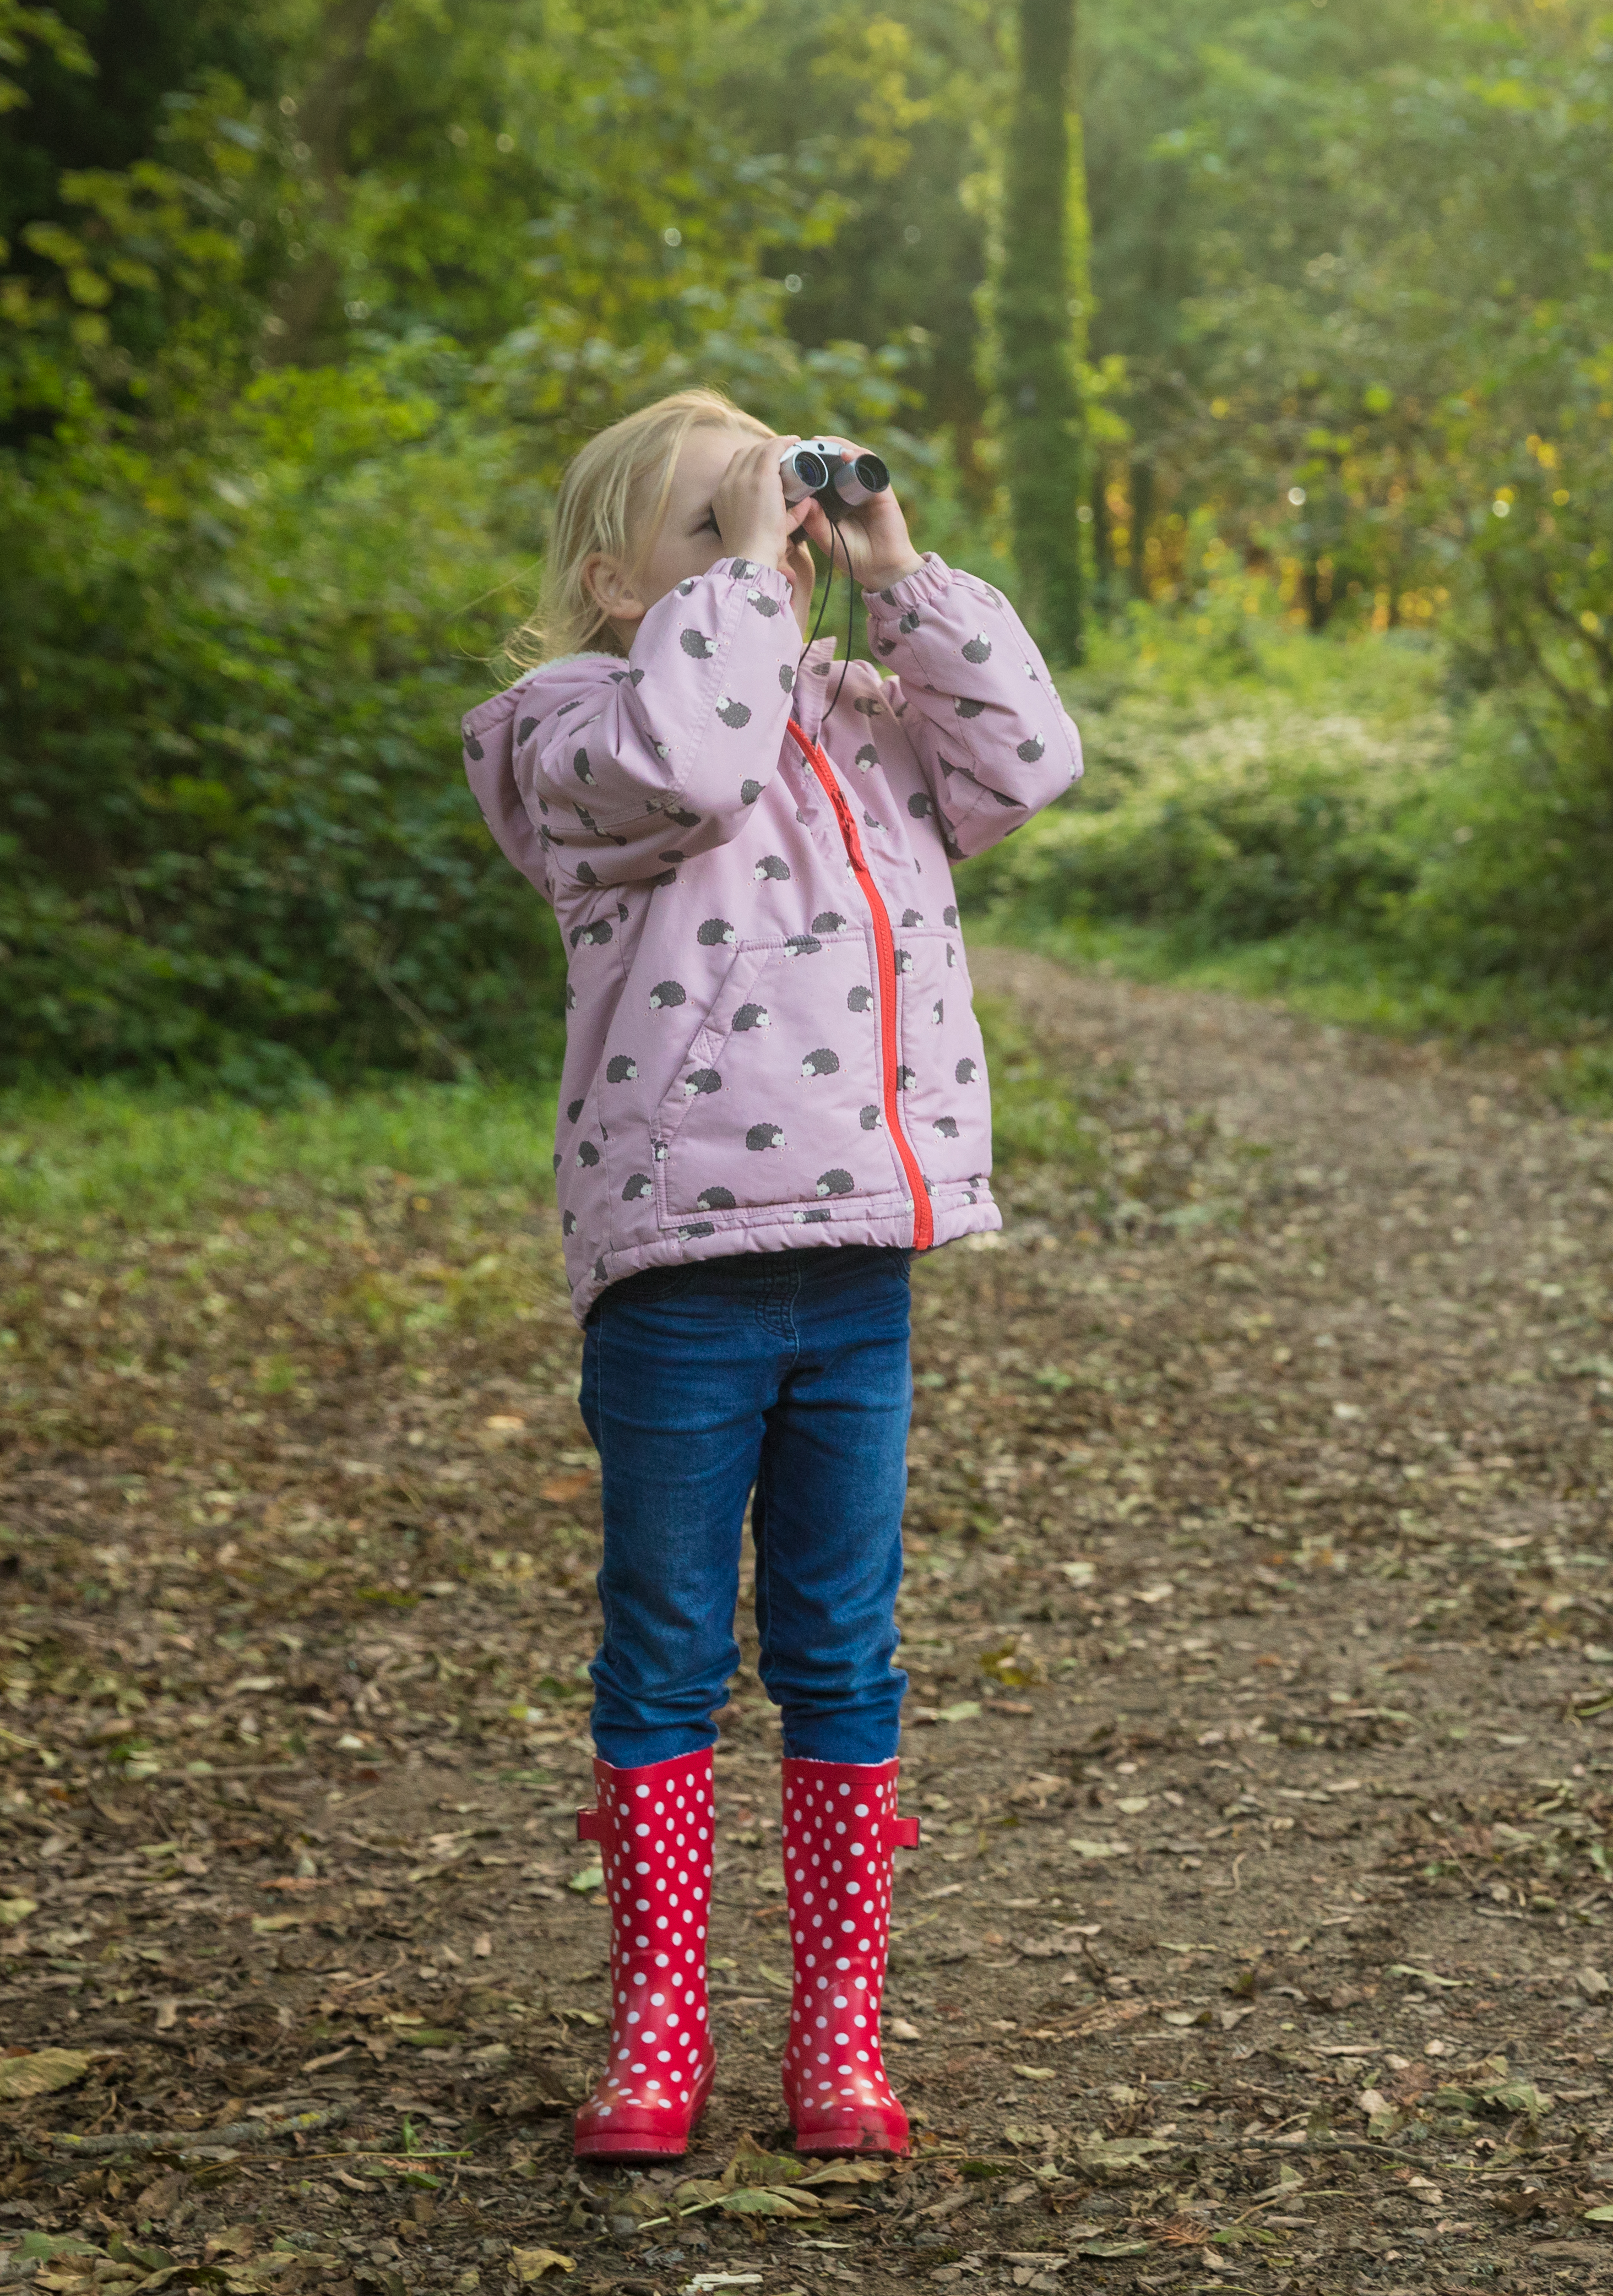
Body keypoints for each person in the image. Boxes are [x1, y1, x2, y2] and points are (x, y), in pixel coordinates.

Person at [459, 387, 1080, 2163]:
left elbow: (1031, 765)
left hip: (855, 1258)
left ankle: (838, 2034)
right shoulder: (564, 730)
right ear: (606, 576)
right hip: (675, 1263)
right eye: (713, 523)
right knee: (663, 1650)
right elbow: (689, 761)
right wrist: (743, 574)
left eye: (780, 521)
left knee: (841, 1646)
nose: (767, 547)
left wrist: (898, 570)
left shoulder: (861, 714)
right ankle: (658, 2034)